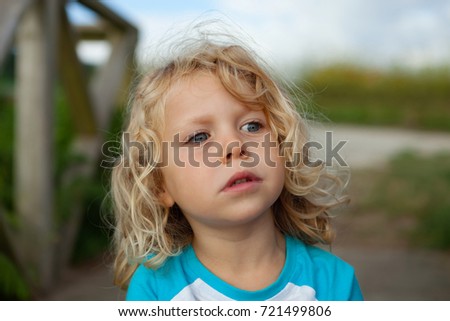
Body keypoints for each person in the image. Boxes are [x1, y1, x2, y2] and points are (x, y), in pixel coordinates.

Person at [110, 28, 363, 301]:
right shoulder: (155, 291)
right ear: (159, 185)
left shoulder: (334, 282)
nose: (234, 145)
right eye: (199, 137)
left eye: (252, 125)